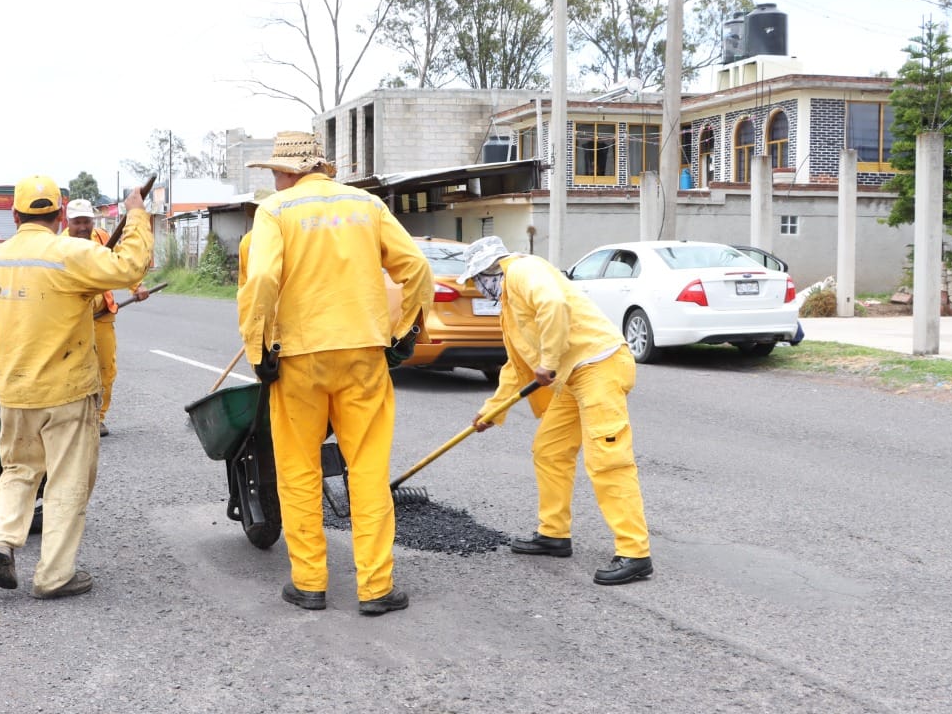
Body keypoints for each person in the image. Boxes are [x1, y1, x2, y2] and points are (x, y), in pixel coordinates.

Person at [239, 130, 434, 616]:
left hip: (299, 356)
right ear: (321, 167)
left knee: (299, 469)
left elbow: (262, 278)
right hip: (364, 354)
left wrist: (257, 344)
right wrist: (406, 329)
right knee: (367, 468)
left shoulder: (275, 211)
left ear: (286, 172)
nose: (275, 181)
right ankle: (376, 588)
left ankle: (309, 584)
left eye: (275, 174)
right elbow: (415, 266)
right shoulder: (366, 206)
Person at [0, 175, 153, 599]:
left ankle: (1, 538)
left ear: (17, 215)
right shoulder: (69, 253)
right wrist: (136, 215)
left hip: (14, 388)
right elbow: (130, 267)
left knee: (19, 470)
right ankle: (55, 576)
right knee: (66, 481)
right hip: (66, 390)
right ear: (59, 215)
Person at [458, 235, 653, 585]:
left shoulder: (522, 270)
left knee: (608, 458)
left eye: (477, 280)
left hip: (600, 364)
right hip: (572, 377)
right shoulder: (510, 306)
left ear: (490, 271)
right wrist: (492, 411)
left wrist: (548, 361)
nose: (478, 288)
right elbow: (515, 369)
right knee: (549, 451)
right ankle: (554, 534)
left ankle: (635, 552)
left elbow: (554, 305)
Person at [61, 197, 152, 437]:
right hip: (72, 321)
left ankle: (98, 418)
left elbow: (120, 264)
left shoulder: (101, 238)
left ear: (93, 221)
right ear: (67, 222)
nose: (83, 227)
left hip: (102, 317)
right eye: (77, 222)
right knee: (69, 369)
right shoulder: (58, 246)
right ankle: (69, 418)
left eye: (87, 222)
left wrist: (137, 287)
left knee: (105, 369)